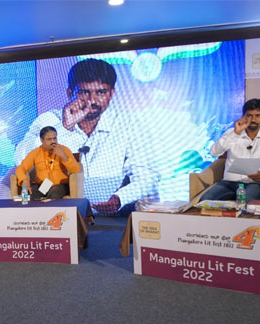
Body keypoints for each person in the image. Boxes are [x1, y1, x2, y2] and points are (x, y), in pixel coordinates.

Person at [14, 58, 159, 215]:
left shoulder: (129, 124)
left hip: (114, 216)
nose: (92, 101)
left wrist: (119, 199)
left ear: (112, 93)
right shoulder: (49, 120)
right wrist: (64, 128)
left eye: (101, 92)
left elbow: (147, 177)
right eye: (84, 92)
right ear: (70, 93)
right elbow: (21, 159)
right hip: (58, 214)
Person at [200, 98, 260, 203]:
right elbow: (214, 152)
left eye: (258, 116)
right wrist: (236, 133)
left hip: (257, 184)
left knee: (247, 201)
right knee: (204, 201)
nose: (253, 120)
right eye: (249, 115)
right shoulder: (232, 132)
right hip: (229, 183)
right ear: (243, 116)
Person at [15, 126, 81, 201]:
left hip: (60, 185)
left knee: (55, 193)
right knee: (31, 195)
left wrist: (64, 157)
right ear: (42, 140)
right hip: (44, 185)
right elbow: (20, 168)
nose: (53, 141)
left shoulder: (64, 150)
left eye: (55, 138)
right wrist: (24, 179)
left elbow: (76, 170)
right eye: (49, 139)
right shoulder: (36, 152)